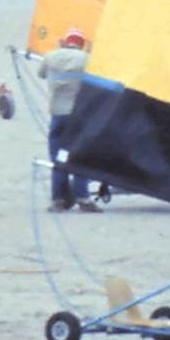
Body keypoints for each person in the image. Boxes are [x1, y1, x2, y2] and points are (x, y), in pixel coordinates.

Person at [40, 29, 98, 211]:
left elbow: (41, 74)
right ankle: (83, 198)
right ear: (82, 44)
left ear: (64, 42)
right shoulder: (86, 59)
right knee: (79, 157)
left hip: (58, 116)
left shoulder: (50, 56)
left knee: (59, 158)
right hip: (79, 116)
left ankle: (58, 200)